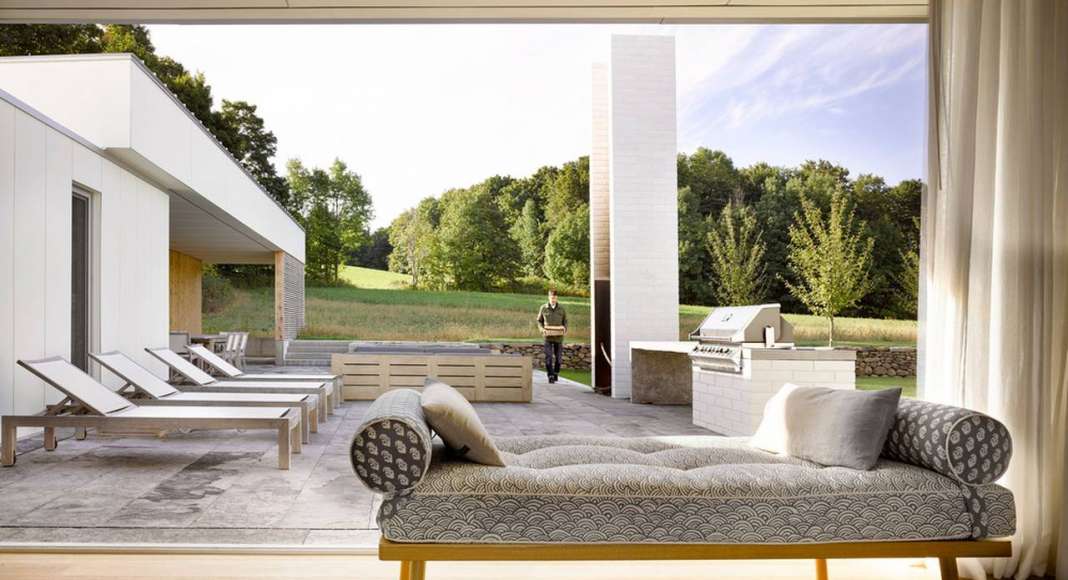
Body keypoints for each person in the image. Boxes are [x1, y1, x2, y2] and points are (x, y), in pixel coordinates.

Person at [537, 289, 567, 383]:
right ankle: (550, 375)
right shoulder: (543, 308)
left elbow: (565, 321)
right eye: (551, 297)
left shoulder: (561, 309)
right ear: (549, 297)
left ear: (557, 298)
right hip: (547, 337)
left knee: (558, 359)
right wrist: (542, 330)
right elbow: (539, 321)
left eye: (554, 298)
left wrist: (565, 329)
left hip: (559, 338)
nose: (553, 299)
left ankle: (556, 373)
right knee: (548, 357)